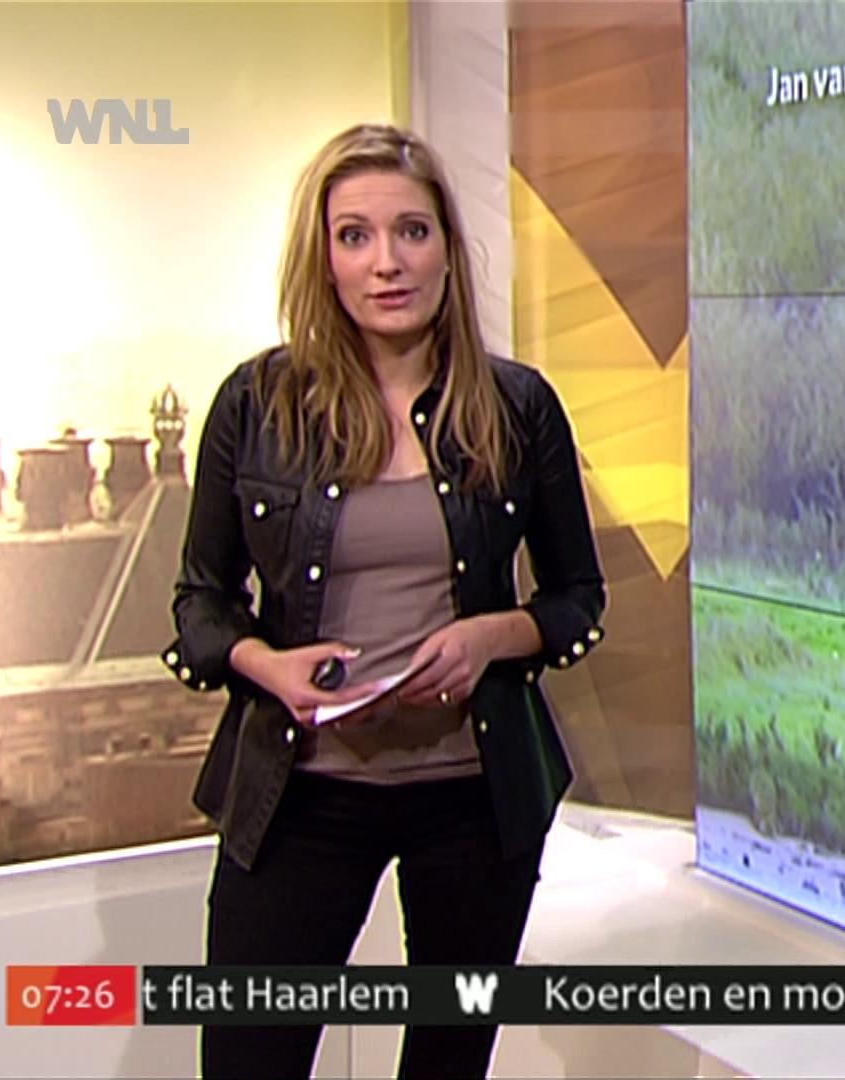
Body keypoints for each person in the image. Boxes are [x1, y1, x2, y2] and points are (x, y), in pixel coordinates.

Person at [164, 122, 605, 1079]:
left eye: (411, 231)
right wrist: (267, 666)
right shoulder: (256, 405)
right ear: (322, 258)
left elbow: (577, 599)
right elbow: (200, 605)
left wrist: (492, 636)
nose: (386, 263)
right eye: (354, 236)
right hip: (301, 795)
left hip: (475, 801)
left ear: (447, 246)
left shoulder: (517, 406)